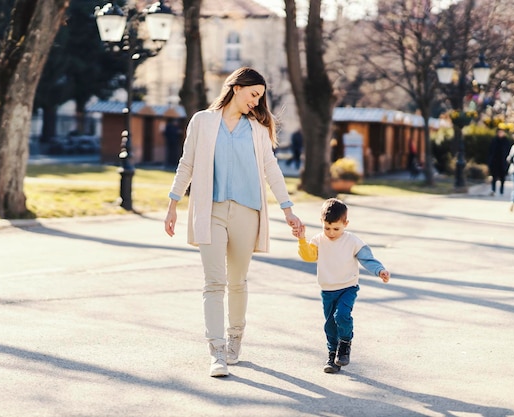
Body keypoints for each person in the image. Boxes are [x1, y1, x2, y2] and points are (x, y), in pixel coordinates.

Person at [164, 67, 303, 377]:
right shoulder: (202, 121)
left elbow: (271, 170)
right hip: (210, 210)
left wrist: (288, 210)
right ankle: (216, 352)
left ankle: (234, 340)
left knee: (237, 282)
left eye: (260, 97)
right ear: (236, 87)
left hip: (246, 212)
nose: (256, 102)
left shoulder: (256, 129)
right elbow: (186, 163)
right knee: (214, 283)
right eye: (254, 94)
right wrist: (172, 204)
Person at [293, 198, 390, 374]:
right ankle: (332, 356)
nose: (331, 232)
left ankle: (344, 343)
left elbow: (367, 258)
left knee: (342, 316)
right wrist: (301, 240)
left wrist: (379, 270)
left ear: (346, 223)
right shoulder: (318, 240)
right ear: (321, 222)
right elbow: (308, 256)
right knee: (330, 324)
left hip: (348, 287)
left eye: (336, 228)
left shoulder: (352, 241)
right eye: (327, 228)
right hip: (327, 290)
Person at [487, 128, 512, 196]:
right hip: (495, 161)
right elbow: (490, 151)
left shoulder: (506, 141)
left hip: (503, 162)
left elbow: (509, 152)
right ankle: (493, 190)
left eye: (502, 132)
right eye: (499, 132)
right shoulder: (494, 140)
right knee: (494, 177)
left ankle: (501, 190)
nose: (500, 133)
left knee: (502, 177)